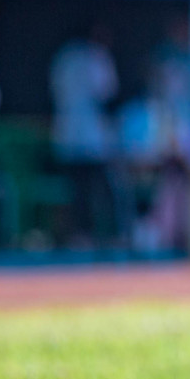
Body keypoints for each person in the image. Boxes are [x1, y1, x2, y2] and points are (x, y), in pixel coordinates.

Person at [49, 23, 119, 246]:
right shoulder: (97, 58)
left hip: (70, 134)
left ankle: (81, 235)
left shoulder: (64, 57)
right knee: (92, 190)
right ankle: (95, 235)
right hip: (90, 138)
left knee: (78, 190)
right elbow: (106, 95)